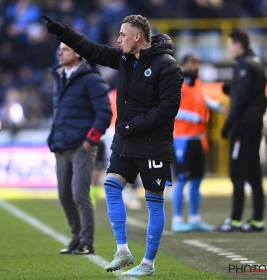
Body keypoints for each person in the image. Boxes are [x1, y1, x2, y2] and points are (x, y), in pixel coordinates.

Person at [43, 14, 183, 276]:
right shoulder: (124, 59)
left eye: (122, 35)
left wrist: (132, 125)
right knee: (110, 186)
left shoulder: (168, 66)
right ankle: (123, 251)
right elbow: (92, 51)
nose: (118, 40)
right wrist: (64, 32)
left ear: (137, 37)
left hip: (153, 144)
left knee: (154, 203)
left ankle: (148, 264)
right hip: (126, 141)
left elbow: (168, 108)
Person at [47, 43, 112, 255]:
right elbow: (59, 114)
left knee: (79, 195)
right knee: (64, 195)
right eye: (59, 49)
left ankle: (86, 242)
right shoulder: (59, 78)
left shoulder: (91, 79)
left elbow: (104, 113)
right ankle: (76, 238)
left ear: (77, 53)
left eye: (65, 49)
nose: (60, 53)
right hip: (61, 146)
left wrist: (89, 142)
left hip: (81, 147)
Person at [215, 29, 267, 233]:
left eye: (230, 45)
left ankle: (234, 220)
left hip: (244, 127)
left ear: (239, 45)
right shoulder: (257, 62)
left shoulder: (245, 64)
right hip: (255, 125)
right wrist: (233, 88)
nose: (229, 49)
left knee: (237, 172)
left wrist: (228, 124)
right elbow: (250, 93)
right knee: (254, 173)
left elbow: (242, 98)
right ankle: (257, 220)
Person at [171, 53, 224, 232]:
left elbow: (201, 99)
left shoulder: (198, 84)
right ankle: (177, 219)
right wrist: (194, 117)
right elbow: (171, 109)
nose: (197, 66)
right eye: (193, 63)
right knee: (182, 179)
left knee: (196, 180)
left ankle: (194, 218)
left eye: (198, 62)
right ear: (184, 65)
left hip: (198, 139)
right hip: (182, 140)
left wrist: (215, 106)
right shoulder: (177, 85)